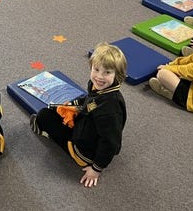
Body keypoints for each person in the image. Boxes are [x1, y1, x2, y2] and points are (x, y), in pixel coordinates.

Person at [29, 43, 127, 188]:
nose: (99, 76)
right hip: (85, 126)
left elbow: (111, 143)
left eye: (107, 72)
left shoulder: (109, 109)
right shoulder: (100, 88)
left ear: (117, 75)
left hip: (84, 151)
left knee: (43, 116)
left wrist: (96, 169)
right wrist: (74, 104)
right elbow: (89, 100)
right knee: (53, 111)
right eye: (96, 69)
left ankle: (45, 131)